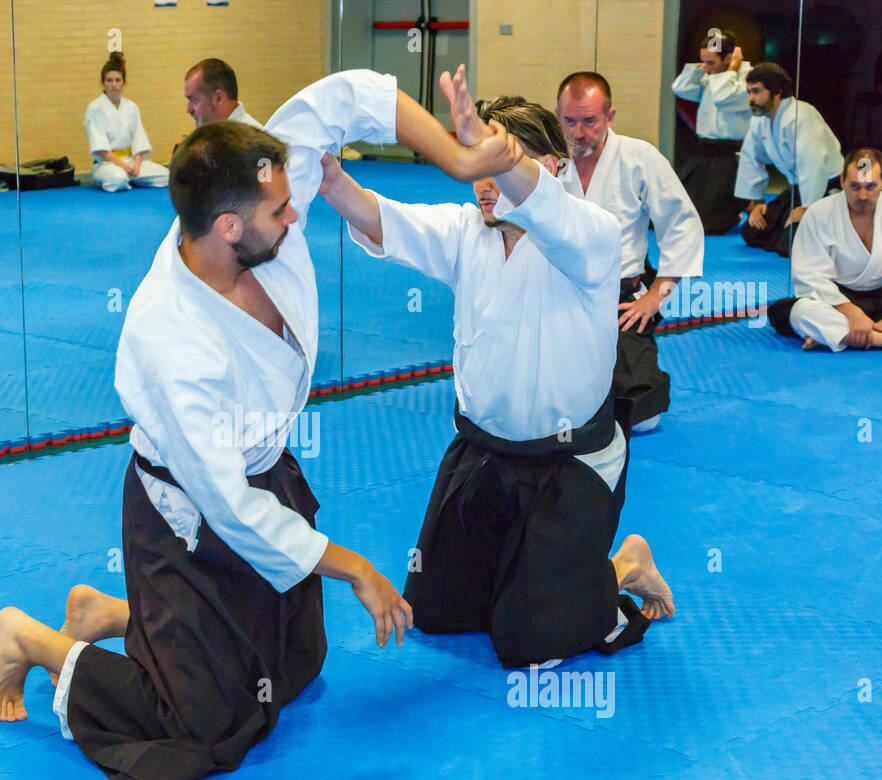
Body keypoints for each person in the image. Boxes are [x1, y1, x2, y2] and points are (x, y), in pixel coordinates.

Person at [0, 68, 524, 780]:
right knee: (203, 730)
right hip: (190, 510)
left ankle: (117, 613)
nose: (296, 216)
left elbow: (352, 96)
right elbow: (229, 507)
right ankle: (36, 639)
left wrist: (459, 161)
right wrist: (354, 567)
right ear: (230, 228)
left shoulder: (257, 184)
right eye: (280, 213)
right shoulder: (172, 339)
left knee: (294, 670)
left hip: (264, 467)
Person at [320, 67, 674, 672]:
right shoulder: (467, 232)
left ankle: (625, 564)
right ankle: (535, 572)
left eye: (499, 167)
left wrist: (492, 150)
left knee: (530, 644)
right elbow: (384, 219)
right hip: (482, 454)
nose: (485, 185)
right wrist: (328, 177)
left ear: (552, 170)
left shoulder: (589, 236)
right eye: (474, 168)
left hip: (570, 465)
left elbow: (545, 206)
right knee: (432, 608)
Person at [556, 71, 704, 433]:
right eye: (569, 121)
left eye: (590, 121)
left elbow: (682, 224)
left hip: (619, 299)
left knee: (643, 416)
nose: (578, 133)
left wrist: (656, 297)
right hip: (557, 297)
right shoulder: (547, 161)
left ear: (610, 116)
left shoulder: (639, 158)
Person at [767, 149, 882, 353]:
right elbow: (808, 275)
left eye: (870, 186)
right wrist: (851, 312)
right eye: (854, 186)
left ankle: (841, 335)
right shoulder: (819, 213)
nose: (862, 196)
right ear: (842, 179)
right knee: (797, 311)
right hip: (838, 300)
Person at [736, 62, 842, 257]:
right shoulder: (760, 120)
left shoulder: (801, 116)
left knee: (792, 244)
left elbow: (814, 164)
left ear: (777, 91)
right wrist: (757, 202)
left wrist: (808, 208)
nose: (751, 99)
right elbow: (750, 158)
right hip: (798, 191)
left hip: (825, 190)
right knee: (752, 231)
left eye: (756, 91)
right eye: (749, 92)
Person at [671, 31, 753, 234]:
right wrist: (699, 69)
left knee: (707, 224)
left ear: (728, 58)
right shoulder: (711, 76)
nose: (706, 68)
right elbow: (680, 88)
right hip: (705, 154)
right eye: (703, 62)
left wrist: (731, 70)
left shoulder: (750, 80)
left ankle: (736, 211)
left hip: (730, 158)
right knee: (673, 212)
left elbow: (723, 98)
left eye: (711, 62)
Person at [85, 52, 169, 193]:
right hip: (106, 164)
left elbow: (139, 139)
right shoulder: (94, 108)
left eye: (118, 80)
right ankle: (129, 178)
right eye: (109, 80)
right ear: (102, 82)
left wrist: (136, 165)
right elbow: (100, 149)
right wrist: (123, 166)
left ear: (124, 82)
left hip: (130, 161)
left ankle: (133, 176)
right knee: (118, 178)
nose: (114, 85)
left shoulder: (131, 107)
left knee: (166, 176)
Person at [184, 58, 263, 129]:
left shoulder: (254, 141)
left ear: (219, 98)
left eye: (194, 100)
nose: (189, 110)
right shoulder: (216, 134)